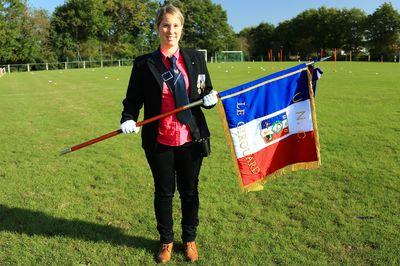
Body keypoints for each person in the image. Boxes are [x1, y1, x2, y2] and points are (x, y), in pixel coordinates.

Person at [119, 4, 218, 263]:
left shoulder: (196, 58)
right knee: (164, 192)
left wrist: (211, 99)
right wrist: (128, 118)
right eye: (165, 25)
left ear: (181, 29)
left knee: (190, 192)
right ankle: (166, 241)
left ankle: (190, 239)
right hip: (159, 140)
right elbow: (132, 99)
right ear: (157, 28)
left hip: (190, 138)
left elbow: (206, 89)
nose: (170, 30)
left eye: (175, 26)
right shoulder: (144, 64)